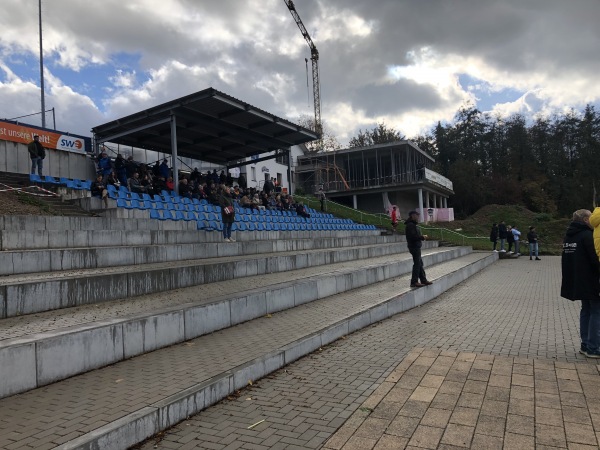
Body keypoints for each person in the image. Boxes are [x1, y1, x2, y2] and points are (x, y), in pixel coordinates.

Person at [561, 209, 600, 358]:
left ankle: (585, 344)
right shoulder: (587, 236)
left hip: (579, 281)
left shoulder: (569, 236)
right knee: (596, 311)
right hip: (592, 280)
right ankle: (594, 347)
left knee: (586, 310)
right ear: (585, 220)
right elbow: (595, 259)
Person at [404, 210, 432, 288]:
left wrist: (421, 237)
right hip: (414, 246)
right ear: (412, 216)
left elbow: (414, 236)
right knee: (417, 264)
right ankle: (414, 282)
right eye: (417, 215)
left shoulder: (413, 225)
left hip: (416, 246)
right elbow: (413, 237)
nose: (418, 216)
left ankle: (423, 280)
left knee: (419, 264)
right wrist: (422, 237)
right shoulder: (410, 225)